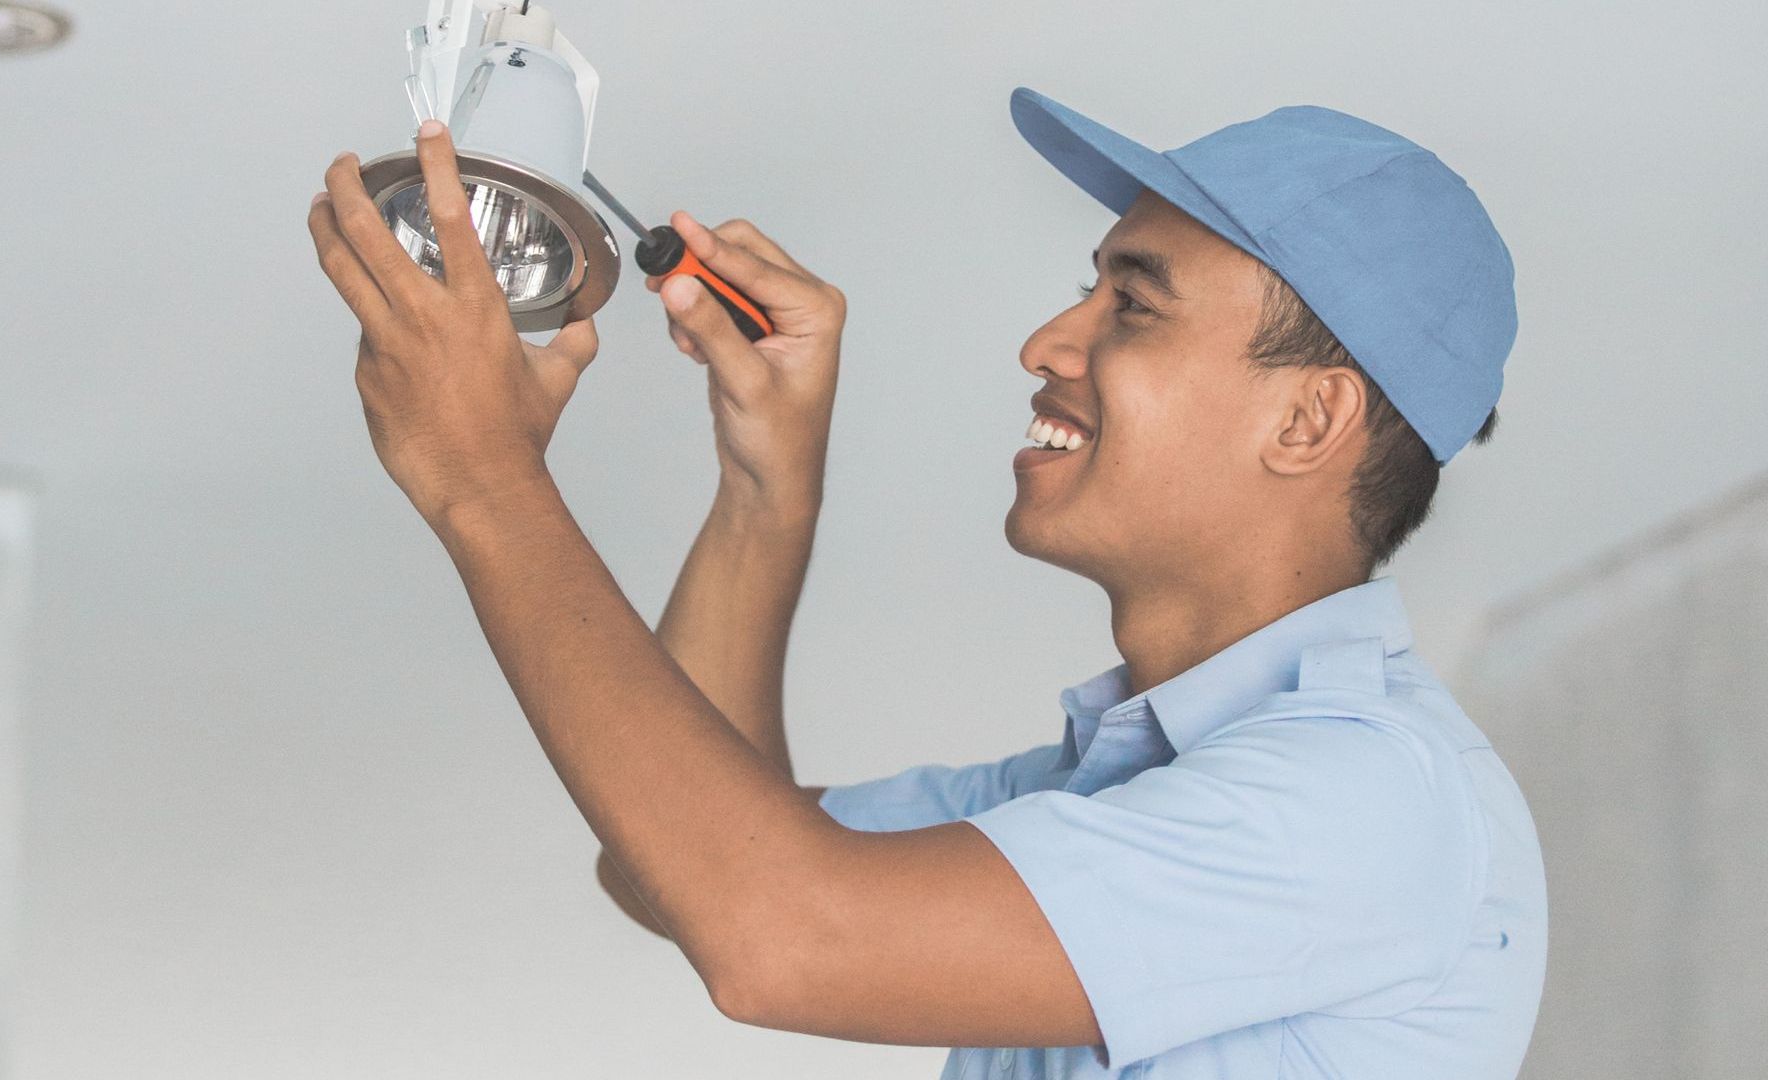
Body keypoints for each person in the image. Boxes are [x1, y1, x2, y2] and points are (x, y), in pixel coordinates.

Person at [309, 85, 1546, 1079]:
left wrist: (481, 477)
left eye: (1133, 306)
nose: (1048, 344)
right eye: (1086, 286)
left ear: (1309, 420)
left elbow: (780, 936)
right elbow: (672, 877)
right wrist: (765, 487)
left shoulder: (1370, 803)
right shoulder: (1106, 790)